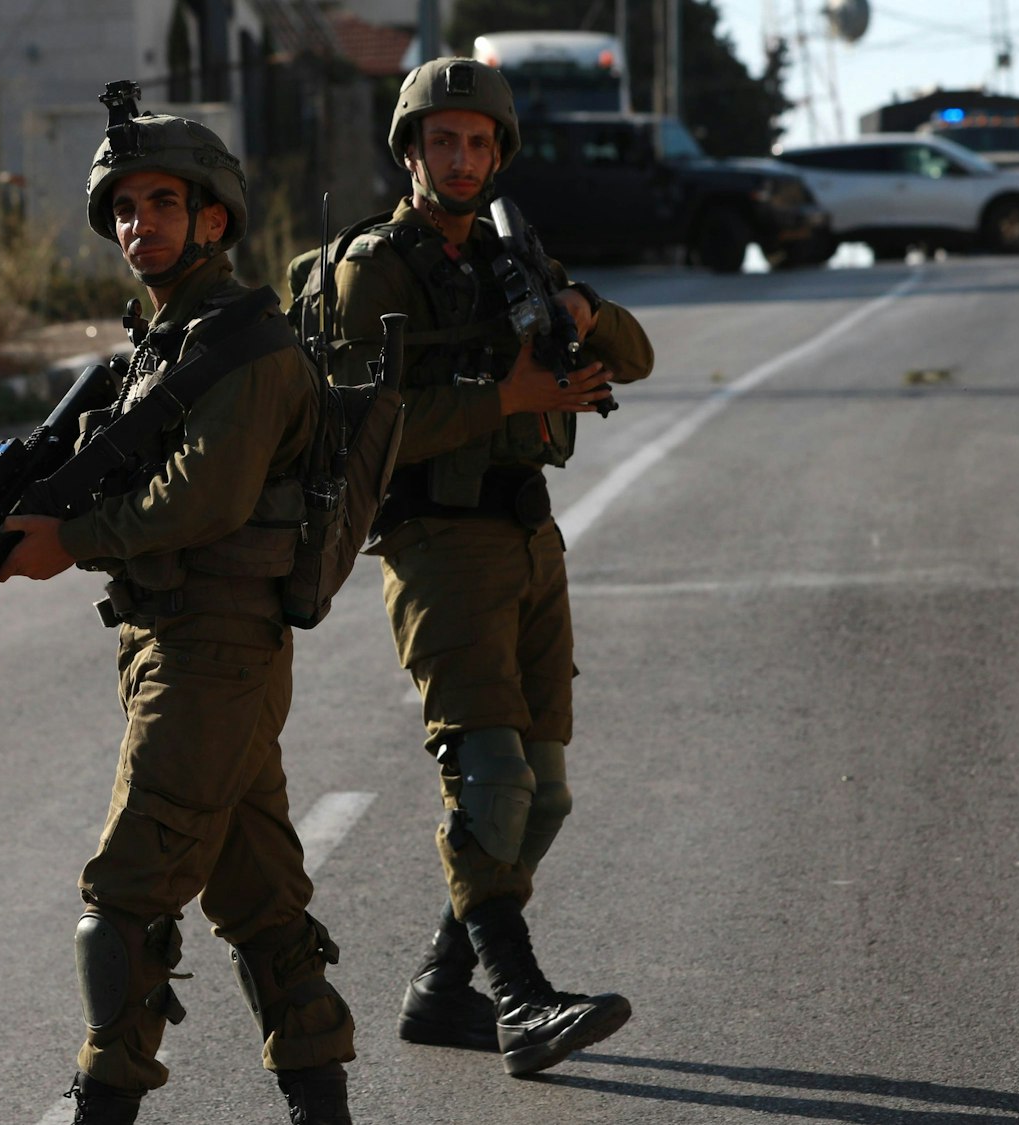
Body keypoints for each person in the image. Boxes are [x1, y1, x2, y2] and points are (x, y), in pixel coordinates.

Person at [0, 92, 355, 1124]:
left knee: (126, 893)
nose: (137, 223)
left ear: (215, 218)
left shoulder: (244, 350)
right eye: (122, 207)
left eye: (162, 202)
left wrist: (74, 543)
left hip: (214, 651)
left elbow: (206, 498)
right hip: (179, 644)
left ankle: (103, 1099)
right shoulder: (169, 341)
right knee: (257, 897)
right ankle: (319, 1103)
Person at [324, 57, 654, 1078]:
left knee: (540, 796)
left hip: (525, 540)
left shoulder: (511, 261)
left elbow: (634, 356)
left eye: (476, 142)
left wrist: (579, 317)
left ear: (497, 154)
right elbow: (355, 426)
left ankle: (440, 989)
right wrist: (504, 400)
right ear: (409, 151)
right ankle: (517, 1000)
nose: (459, 159)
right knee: (490, 777)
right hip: (435, 539)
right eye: (440, 141)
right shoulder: (372, 268)